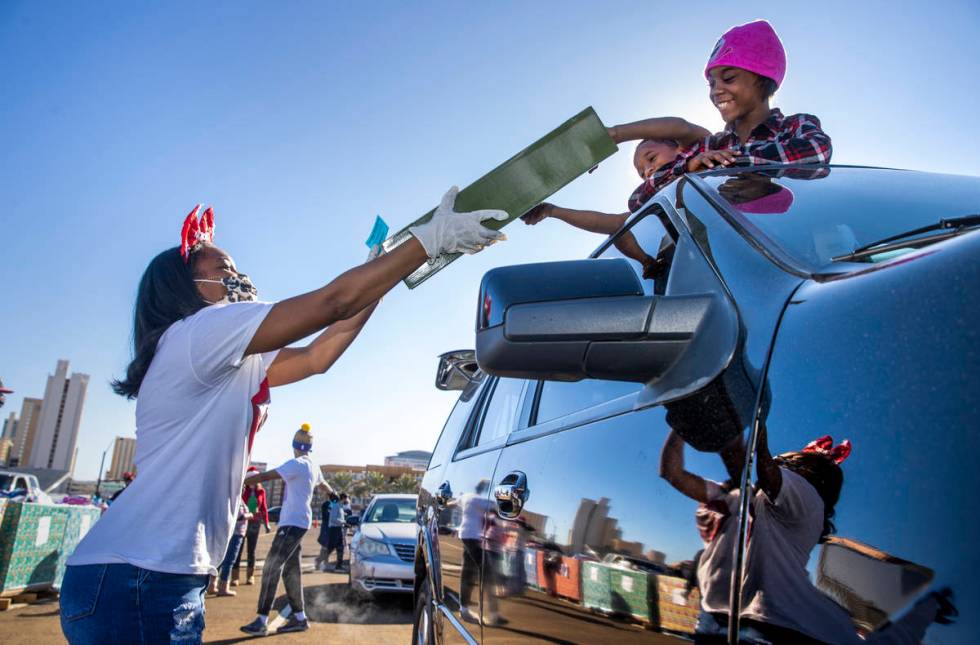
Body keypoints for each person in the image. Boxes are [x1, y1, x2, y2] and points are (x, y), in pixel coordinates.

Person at [59, 190, 507, 644]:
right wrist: (427, 243)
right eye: (223, 270)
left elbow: (318, 354)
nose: (238, 277)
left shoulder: (214, 350)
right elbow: (333, 302)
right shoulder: (199, 333)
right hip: (139, 577)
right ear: (185, 289)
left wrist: (384, 272)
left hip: (143, 576)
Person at [660, 427, 953, 644]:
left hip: (773, 629)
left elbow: (757, 464)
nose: (778, 456)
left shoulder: (806, 498)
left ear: (803, 469)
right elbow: (673, 472)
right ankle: (931, 606)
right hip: (720, 619)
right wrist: (682, 425)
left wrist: (743, 413)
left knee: (894, 637)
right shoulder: (742, 499)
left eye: (784, 458)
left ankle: (931, 605)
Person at [626, 19, 833, 212]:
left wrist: (726, 165)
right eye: (712, 84)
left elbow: (817, 153)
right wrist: (688, 167)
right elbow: (637, 200)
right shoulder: (710, 145)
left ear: (764, 78)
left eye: (729, 78)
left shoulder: (795, 125)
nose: (716, 91)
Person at [239, 424, 331, 635]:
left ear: (294, 446)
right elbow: (324, 485)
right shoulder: (313, 466)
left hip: (291, 524)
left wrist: (240, 482)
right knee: (291, 571)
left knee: (272, 567)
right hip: (300, 523)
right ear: (309, 447)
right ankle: (300, 618)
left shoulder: (296, 464)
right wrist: (334, 494)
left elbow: (265, 476)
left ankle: (261, 620)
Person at [233, 466, 271, 586]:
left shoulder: (261, 491)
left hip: (255, 523)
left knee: (251, 551)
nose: (253, 482)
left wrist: (267, 523)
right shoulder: (242, 490)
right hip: (242, 522)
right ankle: (235, 577)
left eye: (255, 479)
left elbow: (264, 508)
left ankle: (250, 576)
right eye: (251, 479)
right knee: (237, 550)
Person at [210, 494, 252, 597]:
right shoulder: (235, 498)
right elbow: (238, 516)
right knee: (229, 561)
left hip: (231, 533)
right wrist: (249, 515)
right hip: (235, 533)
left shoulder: (235, 498)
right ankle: (223, 587)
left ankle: (212, 585)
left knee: (222, 560)